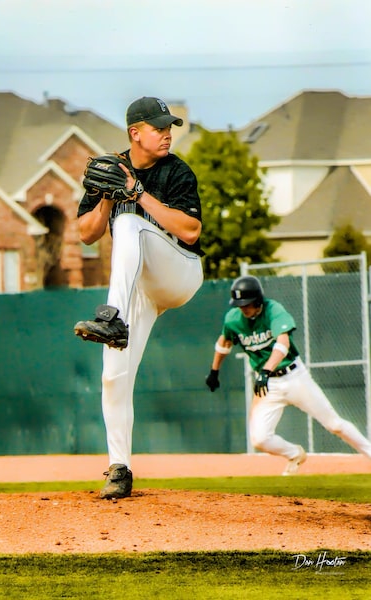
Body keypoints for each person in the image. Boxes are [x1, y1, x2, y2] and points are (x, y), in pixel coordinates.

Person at [74, 96, 204, 498]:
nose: (167, 134)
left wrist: (137, 192)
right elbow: (86, 233)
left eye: (169, 128)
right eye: (159, 128)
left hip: (178, 271)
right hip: (137, 288)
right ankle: (120, 468)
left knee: (130, 223)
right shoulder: (111, 169)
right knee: (112, 375)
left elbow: (191, 231)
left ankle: (111, 317)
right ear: (135, 133)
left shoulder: (177, 171)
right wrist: (110, 195)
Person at [205, 275, 371, 475]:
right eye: (239, 304)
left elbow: (282, 342)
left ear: (257, 300)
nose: (243, 308)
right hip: (268, 385)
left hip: (294, 377)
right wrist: (214, 371)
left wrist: (266, 370)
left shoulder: (274, 310)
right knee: (259, 438)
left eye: (246, 304)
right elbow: (224, 343)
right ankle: (294, 454)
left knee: (334, 424)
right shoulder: (233, 319)